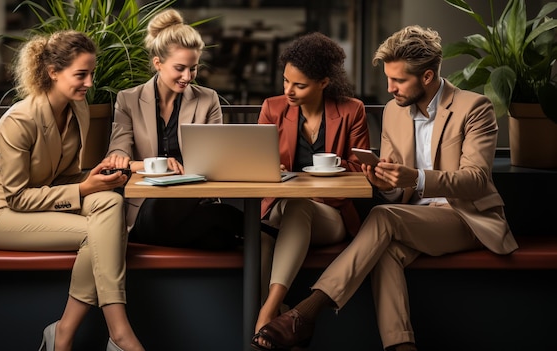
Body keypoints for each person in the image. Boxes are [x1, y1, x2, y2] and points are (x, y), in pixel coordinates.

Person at [252, 25, 518, 351]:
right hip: (412, 218)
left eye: (399, 80)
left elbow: (476, 180)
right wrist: (384, 182)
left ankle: (304, 313)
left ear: (428, 76)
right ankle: (400, 346)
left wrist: (416, 178)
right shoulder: (394, 111)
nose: (389, 89)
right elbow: (396, 190)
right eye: (388, 78)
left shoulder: (474, 108)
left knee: (383, 218)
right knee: (385, 250)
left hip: (465, 217)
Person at [0, 30, 144, 351]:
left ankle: (63, 332)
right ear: (52, 72)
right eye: (81, 75)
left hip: (41, 204)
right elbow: (17, 197)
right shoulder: (18, 121)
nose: (90, 83)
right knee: (98, 229)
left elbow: (68, 176)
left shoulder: (79, 109)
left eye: (91, 73)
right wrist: (85, 187)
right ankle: (118, 333)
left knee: (110, 203)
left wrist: (105, 176)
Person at [251, 32, 370, 350]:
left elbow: (361, 171)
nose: (288, 90)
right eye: (286, 81)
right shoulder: (272, 108)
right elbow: (256, 162)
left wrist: (332, 168)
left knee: (294, 208)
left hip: (330, 212)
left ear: (324, 82)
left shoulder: (351, 111)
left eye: (299, 85)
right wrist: (266, 169)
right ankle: (279, 321)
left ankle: (266, 312)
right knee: (259, 234)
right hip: (279, 208)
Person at [106, 8, 243, 250]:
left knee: (217, 238)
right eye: (180, 68)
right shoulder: (128, 100)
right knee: (219, 224)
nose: (188, 76)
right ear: (158, 63)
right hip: (148, 209)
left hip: (194, 203)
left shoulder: (208, 99)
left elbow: (216, 161)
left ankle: (223, 220)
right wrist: (157, 164)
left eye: (194, 68)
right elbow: (117, 160)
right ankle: (236, 222)